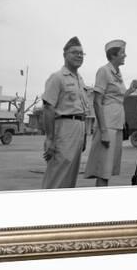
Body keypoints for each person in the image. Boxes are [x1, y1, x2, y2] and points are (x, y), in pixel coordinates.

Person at [84, 39, 137, 186]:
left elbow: (118, 98)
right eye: (122, 53)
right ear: (113, 55)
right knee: (103, 170)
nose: (125, 55)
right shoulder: (104, 71)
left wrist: (130, 91)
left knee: (107, 170)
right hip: (107, 125)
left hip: (116, 125)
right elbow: (97, 101)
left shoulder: (117, 73)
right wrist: (103, 131)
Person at [41, 36, 89, 189]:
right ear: (65, 55)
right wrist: (49, 138)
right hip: (64, 129)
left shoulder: (80, 80)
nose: (79, 56)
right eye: (75, 52)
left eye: (81, 53)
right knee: (57, 174)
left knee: (70, 177)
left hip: (78, 130)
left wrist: (85, 135)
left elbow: (82, 110)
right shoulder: (57, 78)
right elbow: (48, 108)